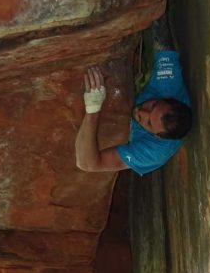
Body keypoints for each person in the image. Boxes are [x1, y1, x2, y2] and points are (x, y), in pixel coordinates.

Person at [75, 15, 192, 176]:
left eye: (148, 122)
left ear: (156, 136)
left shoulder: (151, 152)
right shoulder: (169, 83)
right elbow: (162, 38)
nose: (141, 112)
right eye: (152, 106)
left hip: (127, 136)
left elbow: (87, 163)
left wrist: (93, 108)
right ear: (166, 98)